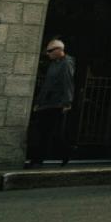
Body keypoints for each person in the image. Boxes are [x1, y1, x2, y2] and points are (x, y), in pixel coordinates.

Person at [26, 38, 76, 167]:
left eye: (50, 51)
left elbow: (68, 83)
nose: (47, 54)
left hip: (57, 103)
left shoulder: (66, 63)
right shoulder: (53, 63)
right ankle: (40, 159)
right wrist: (38, 102)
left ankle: (42, 159)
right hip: (46, 104)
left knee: (52, 133)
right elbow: (47, 85)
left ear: (59, 50)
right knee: (43, 131)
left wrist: (67, 102)